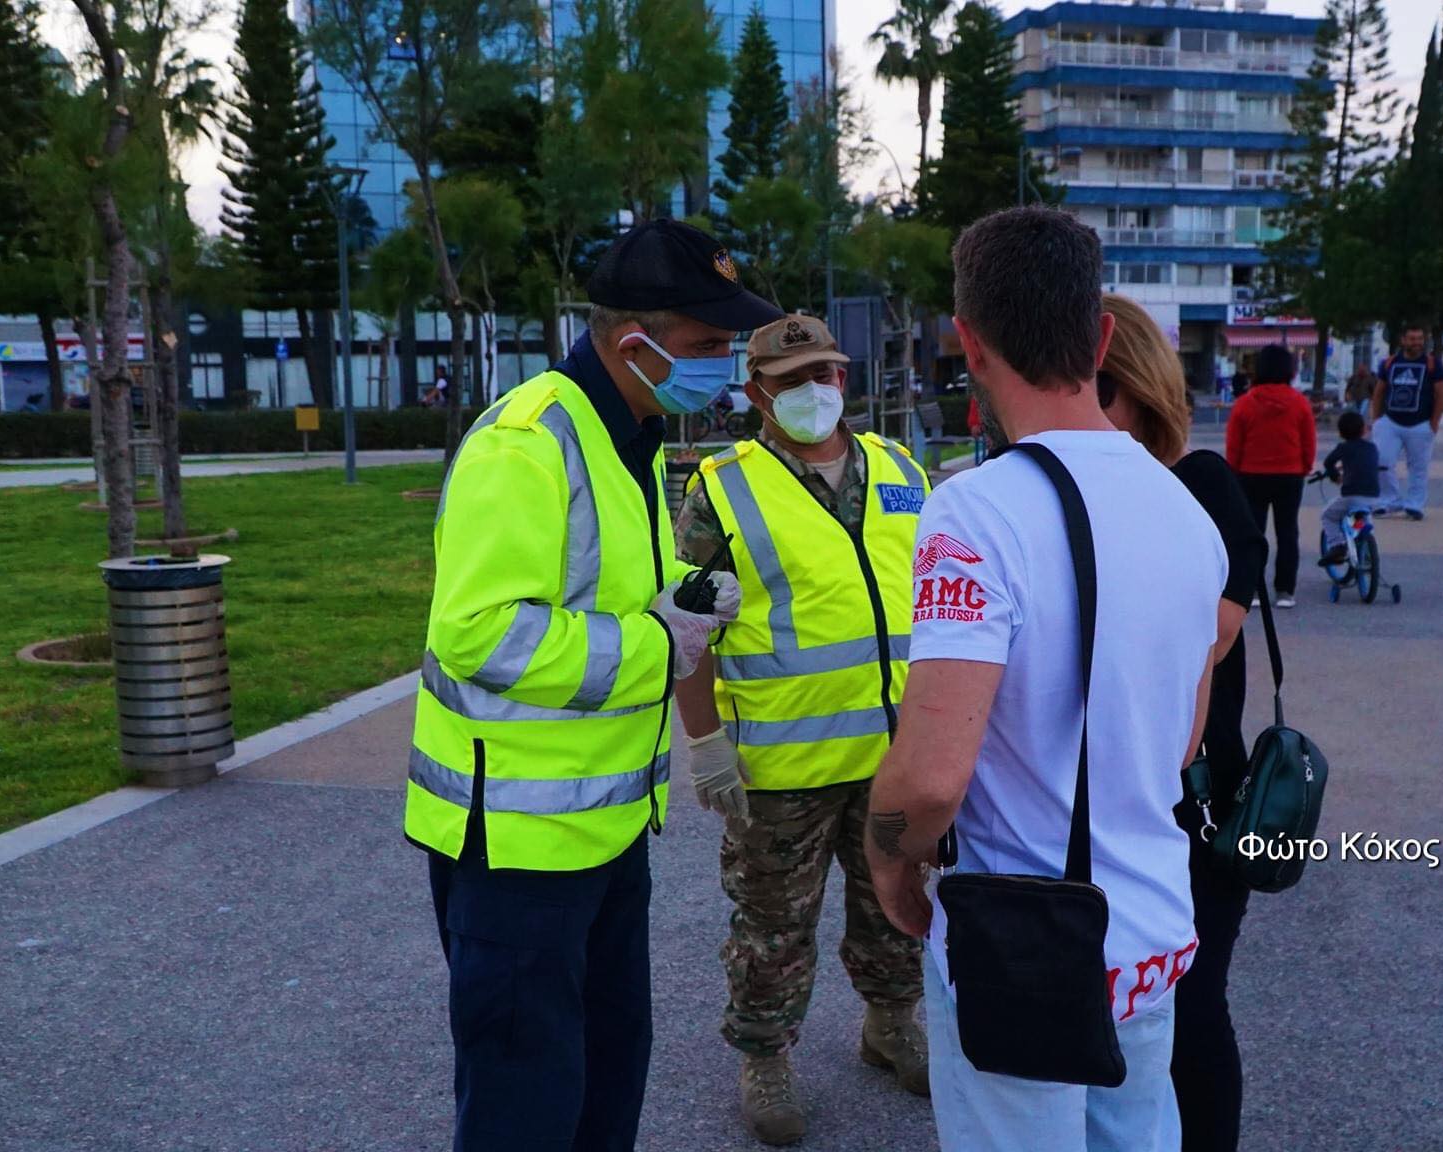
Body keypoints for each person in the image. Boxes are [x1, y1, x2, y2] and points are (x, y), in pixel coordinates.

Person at [409, 218, 778, 1152]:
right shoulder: (530, 441)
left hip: (604, 831)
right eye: (705, 347)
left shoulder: (633, 432)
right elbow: (478, 631)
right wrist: (663, 646)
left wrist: (683, 603)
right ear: (632, 342)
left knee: (606, 1078)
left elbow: (599, 595)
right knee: (525, 1100)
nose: (726, 367)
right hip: (519, 851)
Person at [864, 206, 1228, 1152]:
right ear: (1102, 335)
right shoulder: (1189, 515)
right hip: (1149, 939)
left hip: (1023, 947)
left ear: (969, 346)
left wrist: (887, 853)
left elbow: (934, 775)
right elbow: (1178, 742)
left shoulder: (975, 514)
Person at [672, 314, 932, 1146]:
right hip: (780, 765)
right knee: (773, 925)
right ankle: (766, 1053)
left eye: (824, 374)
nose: (811, 392)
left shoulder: (902, 472)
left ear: (845, 379)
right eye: (789, 381)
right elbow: (689, 628)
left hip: (894, 754)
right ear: (756, 394)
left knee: (895, 905)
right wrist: (705, 741)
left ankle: (890, 1023)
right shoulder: (722, 488)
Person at [1094, 292, 1261, 1152]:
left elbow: (1208, 636)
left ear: (1128, 394)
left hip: (1199, 807)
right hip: (1131, 806)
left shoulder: (1200, 485)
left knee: (1190, 1004)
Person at [1225, 345, 1315, 609]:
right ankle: (1285, 590)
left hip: (1251, 475)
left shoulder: (1245, 403)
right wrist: (1305, 466)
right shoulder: (1299, 402)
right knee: (1288, 533)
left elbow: (1234, 443)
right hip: (1289, 475)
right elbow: (1308, 440)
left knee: (1254, 533)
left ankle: (1252, 589)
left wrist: (1235, 471)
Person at [1370, 326, 1443, 520]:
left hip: (1420, 424)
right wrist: (1377, 420)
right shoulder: (1389, 363)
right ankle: (1389, 500)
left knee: (1418, 467)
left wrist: (1434, 422)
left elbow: (1441, 393)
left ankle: (1415, 504)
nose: (1417, 343)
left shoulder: (1433, 364)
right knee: (1382, 461)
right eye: (1412, 339)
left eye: (1420, 338)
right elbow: (1379, 392)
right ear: (1403, 340)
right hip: (1391, 422)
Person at [1317, 410, 1382, 565]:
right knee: (1361, 518)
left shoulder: (1344, 447)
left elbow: (1328, 462)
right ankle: (1365, 548)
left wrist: (1334, 475)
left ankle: (1337, 545)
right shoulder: (1371, 447)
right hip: (1373, 495)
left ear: (1340, 433)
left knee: (1328, 515)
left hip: (1352, 494)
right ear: (1363, 429)